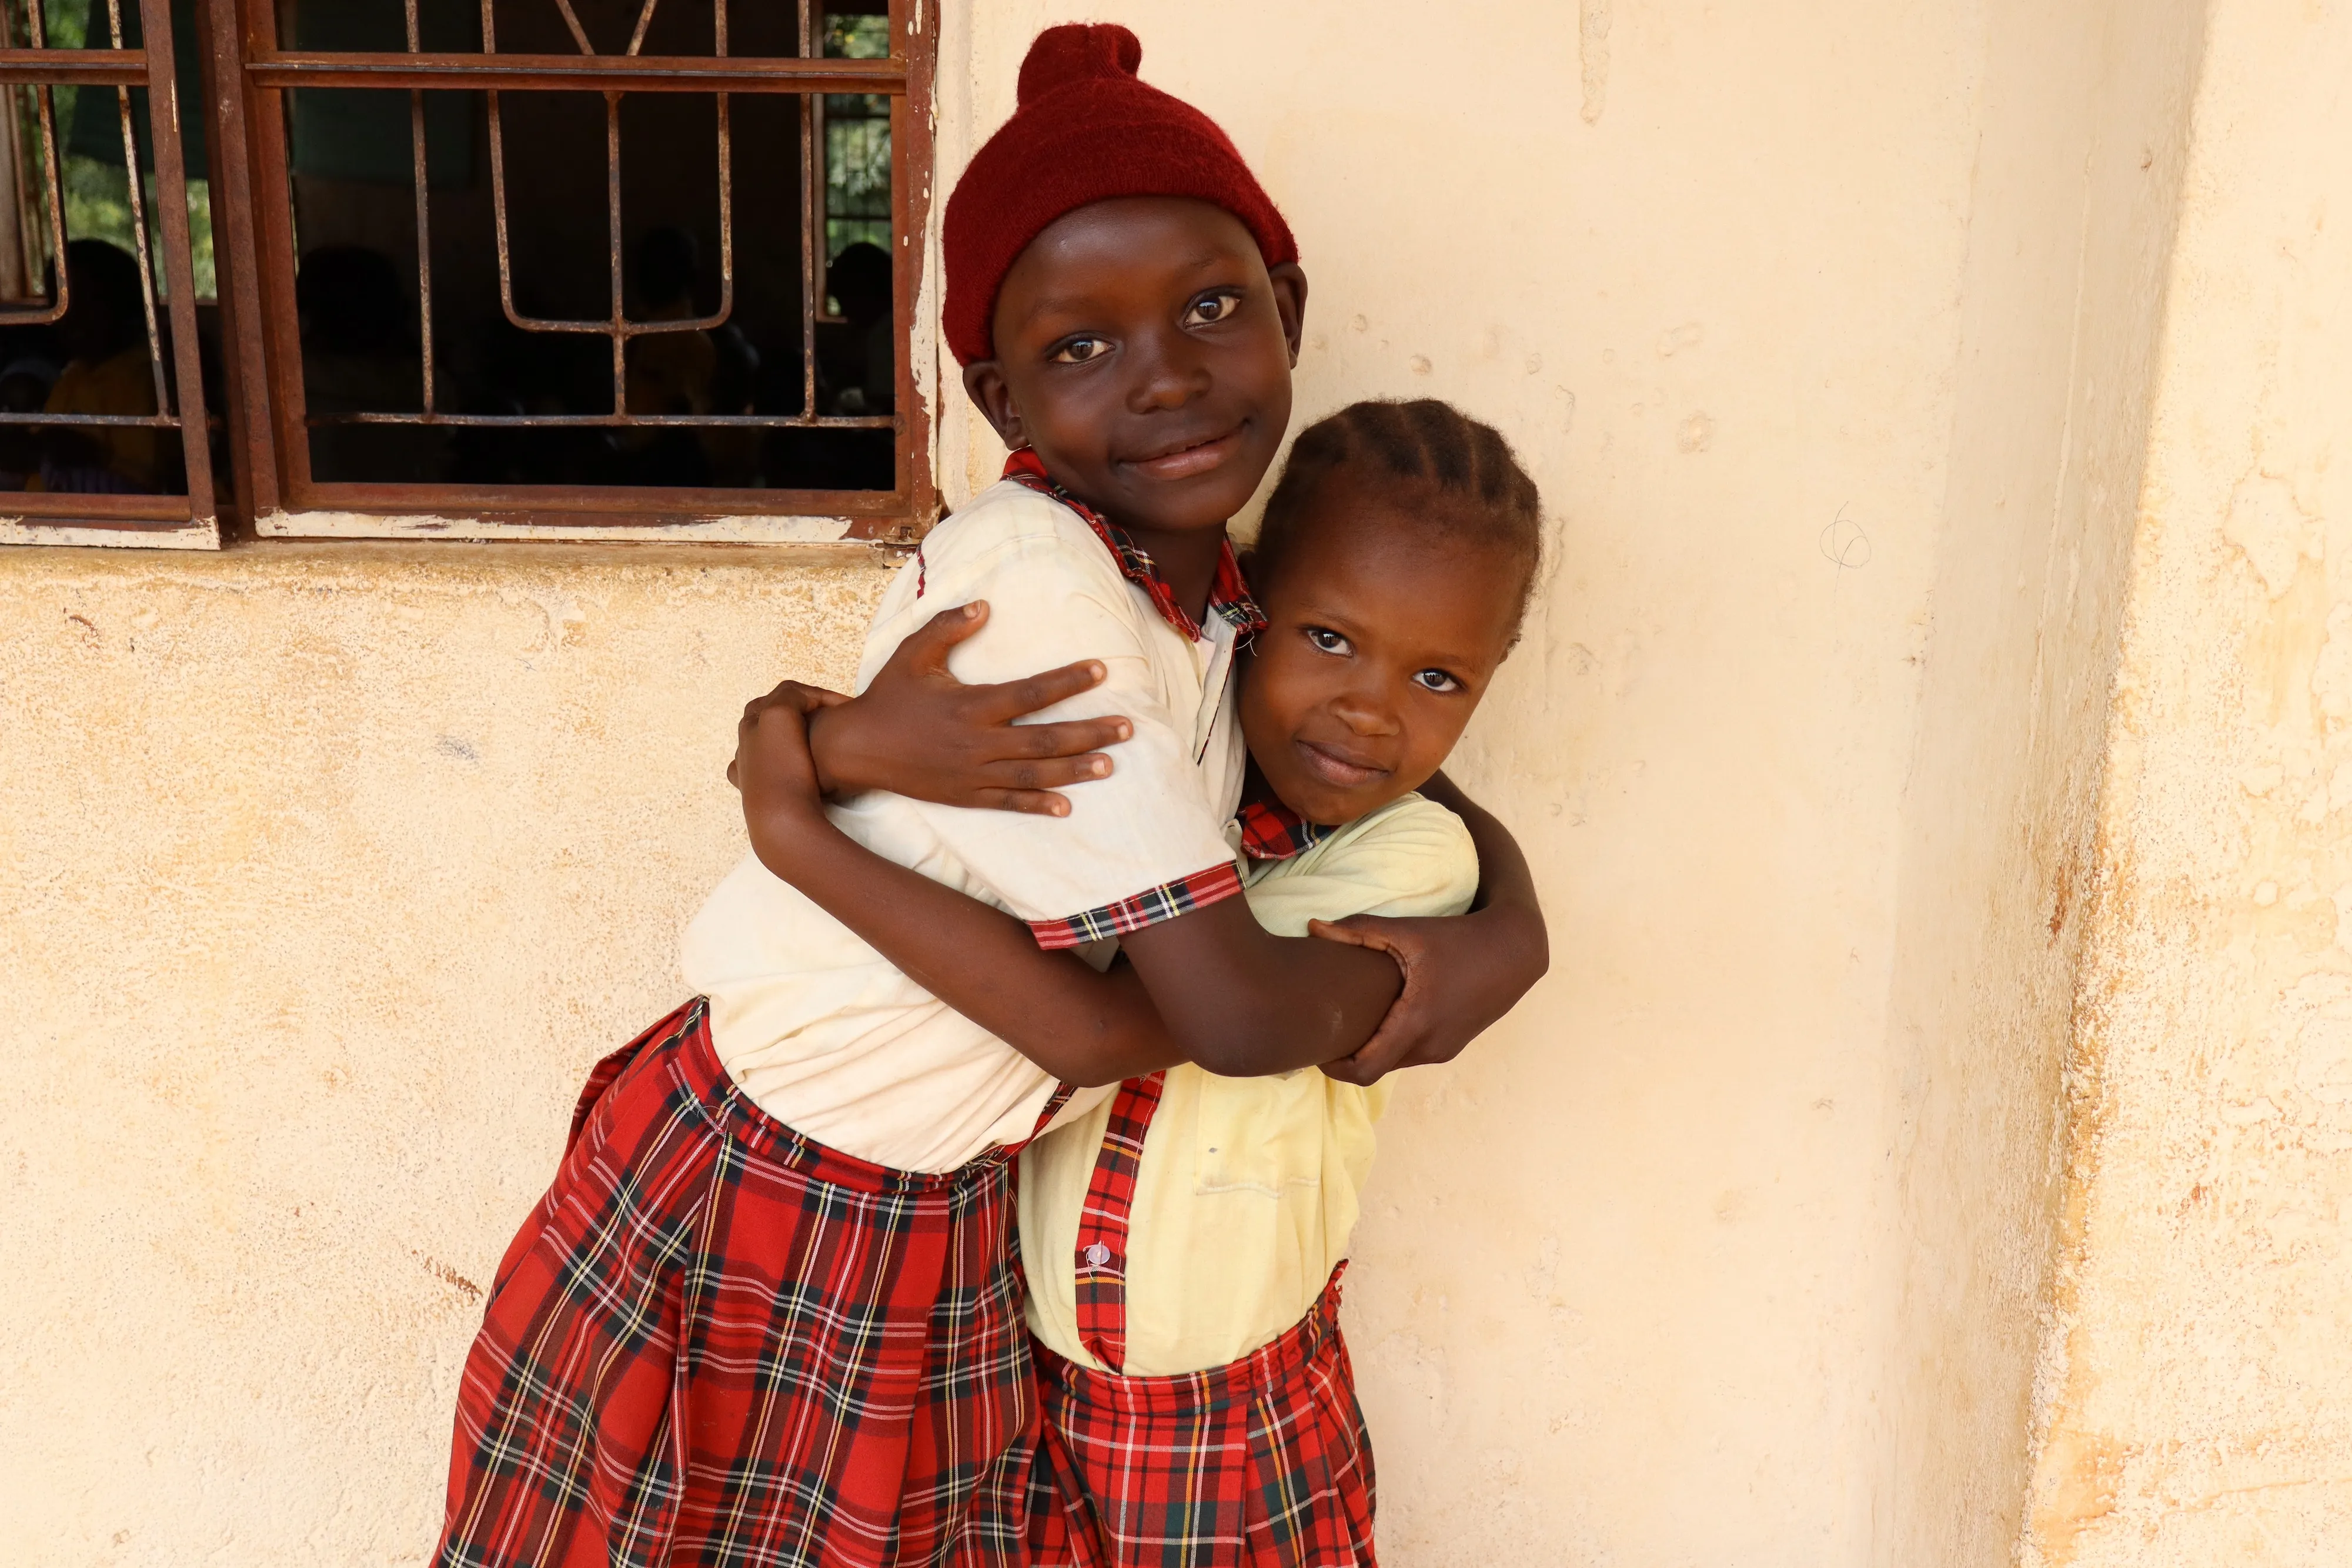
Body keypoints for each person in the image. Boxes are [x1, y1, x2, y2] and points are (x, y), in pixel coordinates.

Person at [433, 25, 1545, 1568]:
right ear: (998, 386)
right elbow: (1177, 1022)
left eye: (1212, 307)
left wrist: (1511, 915)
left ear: (1287, 311)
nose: (1165, 372)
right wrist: (789, 830)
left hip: (925, 1205)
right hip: (780, 1184)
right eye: (1082, 345)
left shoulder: (1201, 584)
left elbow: (1350, 748)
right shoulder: (1049, 602)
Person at [731, 399, 1546, 1566]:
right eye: (1327, 638)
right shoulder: (1179, 755)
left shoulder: (1408, 861)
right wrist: (833, 748)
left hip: (1226, 1411)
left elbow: (1175, 1010)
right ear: (1250, 604)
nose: (1370, 709)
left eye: (1437, 676)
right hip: (1024, 1367)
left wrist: (798, 833)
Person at [32, 239, 159, 494]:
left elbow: (154, 479)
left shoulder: (145, 377)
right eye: (58, 306)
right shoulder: (74, 374)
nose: (70, 317)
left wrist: (93, 454)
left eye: (88, 302)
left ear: (124, 306)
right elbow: (42, 444)